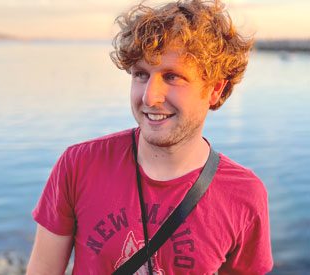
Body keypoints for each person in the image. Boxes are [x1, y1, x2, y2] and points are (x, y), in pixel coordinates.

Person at [26, 0, 273, 274]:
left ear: (215, 89)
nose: (149, 97)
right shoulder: (79, 165)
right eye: (141, 74)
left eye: (172, 77)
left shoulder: (244, 196)